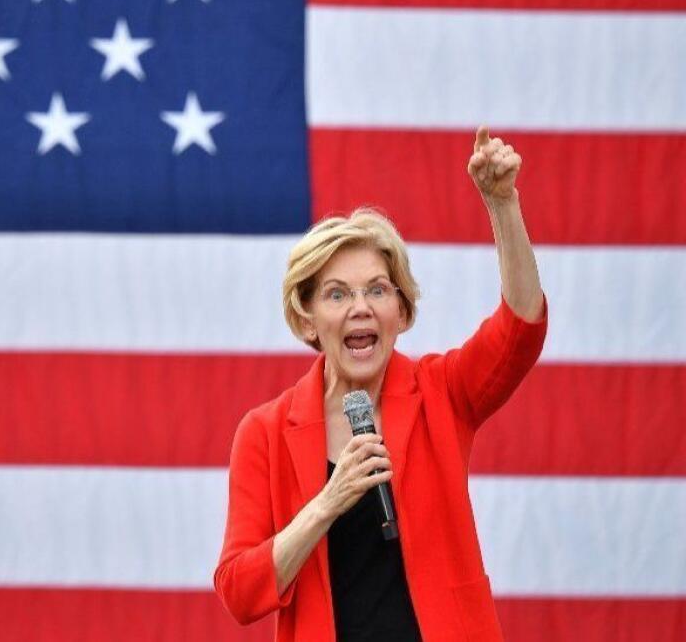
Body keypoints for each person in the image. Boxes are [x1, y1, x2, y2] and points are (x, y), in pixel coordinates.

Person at [213, 127, 547, 642]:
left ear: (403, 310)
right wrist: (328, 501)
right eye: (337, 294)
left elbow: (521, 326)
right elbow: (239, 590)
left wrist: (502, 205)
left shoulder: (443, 392)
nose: (360, 307)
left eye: (376, 289)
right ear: (307, 321)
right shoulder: (265, 431)